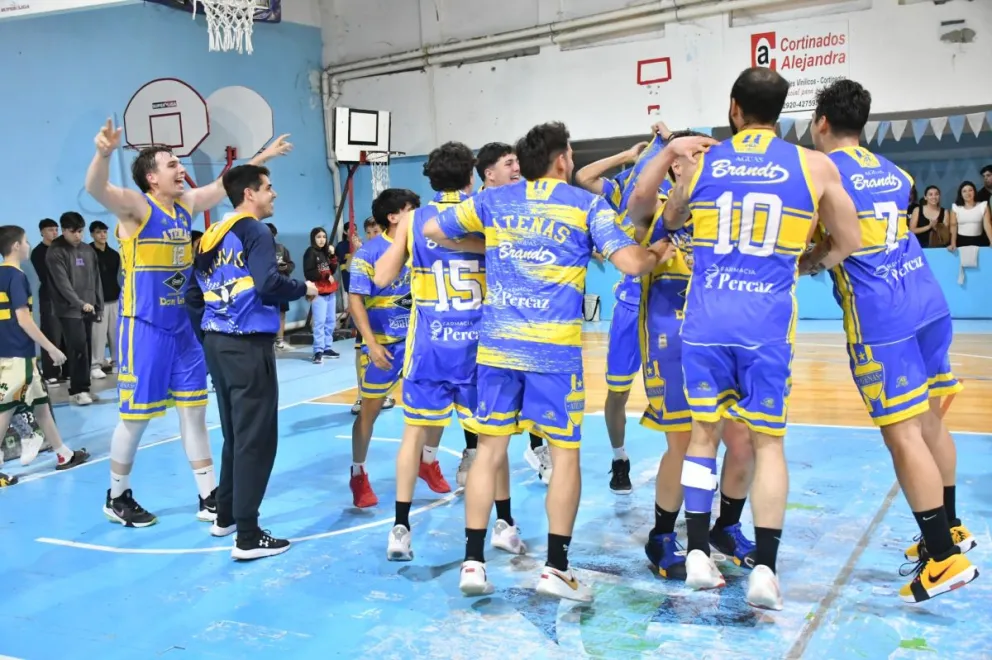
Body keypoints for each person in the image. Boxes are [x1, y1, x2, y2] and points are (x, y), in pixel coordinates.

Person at [427, 121, 692, 601]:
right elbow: (631, 262)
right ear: (562, 160)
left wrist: (486, 245)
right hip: (553, 351)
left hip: (497, 348)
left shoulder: (493, 201)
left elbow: (431, 230)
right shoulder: (585, 205)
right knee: (565, 455)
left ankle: (472, 562)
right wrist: (655, 251)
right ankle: (556, 568)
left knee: (488, 452)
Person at [656, 67, 861, 610]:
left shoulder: (703, 164)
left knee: (702, 435)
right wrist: (811, 261)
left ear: (733, 109)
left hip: (704, 319)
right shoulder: (814, 165)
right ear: (782, 112)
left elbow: (672, 217)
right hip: (766, 326)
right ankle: (765, 569)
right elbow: (851, 238)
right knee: (768, 443)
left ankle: (697, 553)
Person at [804, 78, 978, 603]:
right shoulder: (894, 170)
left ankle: (944, 560)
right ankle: (949, 528)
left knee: (903, 435)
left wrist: (809, 262)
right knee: (928, 421)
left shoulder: (822, 172)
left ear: (822, 124)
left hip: (884, 319)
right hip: (927, 298)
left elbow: (835, 241)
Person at [84, 118, 292, 527]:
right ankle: (117, 494)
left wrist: (262, 157)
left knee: (195, 412)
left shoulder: (186, 205)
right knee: (136, 416)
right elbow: (97, 189)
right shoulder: (138, 207)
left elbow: (227, 184)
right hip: (143, 327)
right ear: (151, 177)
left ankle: (208, 494)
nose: (181, 169)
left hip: (183, 328)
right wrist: (104, 154)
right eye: (172, 164)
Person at [619, 125, 761, 578]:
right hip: (671, 337)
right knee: (684, 442)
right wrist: (665, 151)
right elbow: (636, 199)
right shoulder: (657, 209)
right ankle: (662, 534)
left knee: (743, 440)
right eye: (700, 152)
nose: (710, 159)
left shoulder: (724, 210)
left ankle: (727, 527)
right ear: (678, 162)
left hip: (724, 333)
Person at [373, 142, 521, 561]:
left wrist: (406, 244)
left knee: (413, 436)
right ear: (472, 177)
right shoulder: (482, 213)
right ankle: (504, 524)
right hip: (479, 348)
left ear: (430, 180)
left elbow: (382, 276)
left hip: (429, 347)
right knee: (493, 441)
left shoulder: (415, 219)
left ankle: (400, 529)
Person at [188, 164, 315, 559]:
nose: (274, 194)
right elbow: (268, 284)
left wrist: (210, 336)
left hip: (218, 345)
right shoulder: (255, 231)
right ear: (249, 194)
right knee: (257, 440)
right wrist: (303, 287)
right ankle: (248, 534)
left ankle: (224, 516)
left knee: (235, 435)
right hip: (246, 346)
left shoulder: (211, 234)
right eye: (269, 188)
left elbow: (193, 296)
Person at [474, 142, 555, 485]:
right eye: (509, 163)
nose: (517, 168)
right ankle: (474, 456)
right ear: (489, 174)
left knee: (537, 386)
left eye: (517, 161)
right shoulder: (478, 206)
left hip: (532, 313)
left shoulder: (526, 199)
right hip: (490, 317)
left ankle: (538, 447)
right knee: (490, 405)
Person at [0, 225, 89, 486]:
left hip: (9, 353)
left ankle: (63, 454)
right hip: (18, 353)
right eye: (26, 241)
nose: (28, 245)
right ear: (16, 246)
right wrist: (51, 348)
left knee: (41, 405)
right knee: (5, 409)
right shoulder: (16, 277)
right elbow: (24, 319)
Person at [347, 188, 419, 508]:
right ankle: (358, 473)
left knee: (432, 408)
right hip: (383, 347)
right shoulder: (368, 254)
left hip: (418, 342)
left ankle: (427, 461)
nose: (418, 214)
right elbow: (355, 301)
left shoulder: (422, 247)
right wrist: (372, 343)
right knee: (369, 413)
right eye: (411, 209)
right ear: (393, 217)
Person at [46, 212, 103, 406]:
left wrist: (99, 306)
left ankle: (84, 387)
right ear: (64, 230)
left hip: (88, 308)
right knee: (77, 347)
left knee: (86, 349)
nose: (78, 235)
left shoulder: (88, 250)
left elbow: (96, 280)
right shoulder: (55, 251)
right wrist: (80, 303)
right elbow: (63, 285)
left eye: (80, 231)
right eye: (73, 232)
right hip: (69, 310)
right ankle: (77, 391)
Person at [31, 218, 65, 385]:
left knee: (67, 333)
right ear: (42, 232)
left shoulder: (63, 248)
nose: (54, 233)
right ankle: (51, 372)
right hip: (50, 297)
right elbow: (48, 275)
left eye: (56, 229)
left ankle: (67, 370)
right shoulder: (38, 252)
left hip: (66, 297)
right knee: (51, 333)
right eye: (51, 229)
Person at [88, 220, 121, 379]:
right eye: (99, 232)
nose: (102, 235)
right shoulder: (87, 253)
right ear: (92, 234)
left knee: (115, 333)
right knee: (98, 335)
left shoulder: (113, 254)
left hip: (114, 299)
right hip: (97, 302)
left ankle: (116, 362)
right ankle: (96, 364)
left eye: (104, 232)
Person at [303, 227, 339, 363]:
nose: (322, 239)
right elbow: (309, 272)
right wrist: (325, 275)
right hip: (318, 292)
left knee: (331, 321)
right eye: (318, 237)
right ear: (313, 238)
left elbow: (333, 269)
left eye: (324, 236)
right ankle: (318, 350)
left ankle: (327, 347)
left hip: (330, 292)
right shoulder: (310, 252)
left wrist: (332, 255)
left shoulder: (325, 252)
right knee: (319, 322)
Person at [267, 222, 295, 350]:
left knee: (282, 313)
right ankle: (268, 341)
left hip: (282, 284)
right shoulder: (258, 249)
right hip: (267, 286)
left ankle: (280, 341)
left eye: (272, 235)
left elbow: (291, 264)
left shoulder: (282, 249)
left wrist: (285, 267)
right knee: (267, 312)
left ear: (275, 235)